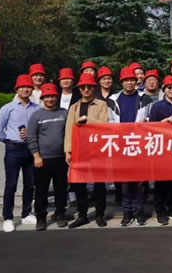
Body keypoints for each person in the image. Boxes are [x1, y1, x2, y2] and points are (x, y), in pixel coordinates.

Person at [0, 74, 41, 232]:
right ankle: (8, 217)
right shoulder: (8, 108)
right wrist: (9, 140)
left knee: (30, 183)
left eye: (28, 87)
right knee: (11, 184)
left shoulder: (37, 108)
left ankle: (26, 213)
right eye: (22, 87)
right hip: (14, 149)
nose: (25, 90)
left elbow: (41, 128)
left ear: (32, 90)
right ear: (17, 89)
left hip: (31, 149)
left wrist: (32, 135)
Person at [64, 73, 110, 228]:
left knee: (99, 185)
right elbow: (69, 129)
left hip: (97, 150)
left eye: (89, 87)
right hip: (79, 150)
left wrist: (87, 120)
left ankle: (100, 214)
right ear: (79, 89)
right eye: (83, 87)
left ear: (93, 88)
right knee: (79, 185)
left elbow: (105, 124)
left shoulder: (101, 104)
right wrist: (67, 150)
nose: (86, 90)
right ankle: (82, 215)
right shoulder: (74, 107)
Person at [110, 67, 149, 226]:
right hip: (121, 146)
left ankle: (139, 212)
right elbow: (109, 122)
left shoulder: (145, 98)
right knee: (125, 183)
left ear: (136, 81)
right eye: (126, 80)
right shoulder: (113, 100)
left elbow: (150, 119)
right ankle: (127, 212)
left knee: (140, 182)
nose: (130, 83)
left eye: (132, 80)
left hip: (140, 145)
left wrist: (145, 124)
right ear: (122, 82)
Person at [27, 83, 68, 231]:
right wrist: (36, 156)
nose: (50, 99)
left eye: (53, 96)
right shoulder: (36, 115)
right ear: (42, 98)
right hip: (43, 159)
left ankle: (60, 214)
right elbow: (31, 137)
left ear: (57, 97)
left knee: (61, 189)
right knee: (41, 191)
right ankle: (41, 217)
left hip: (61, 158)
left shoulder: (64, 113)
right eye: (47, 97)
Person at [148, 76, 172, 225]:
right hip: (161, 149)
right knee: (161, 183)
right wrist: (163, 123)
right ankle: (160, 211)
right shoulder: (157, 106)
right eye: (169, 87)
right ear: (164, 89)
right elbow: (151, 128)